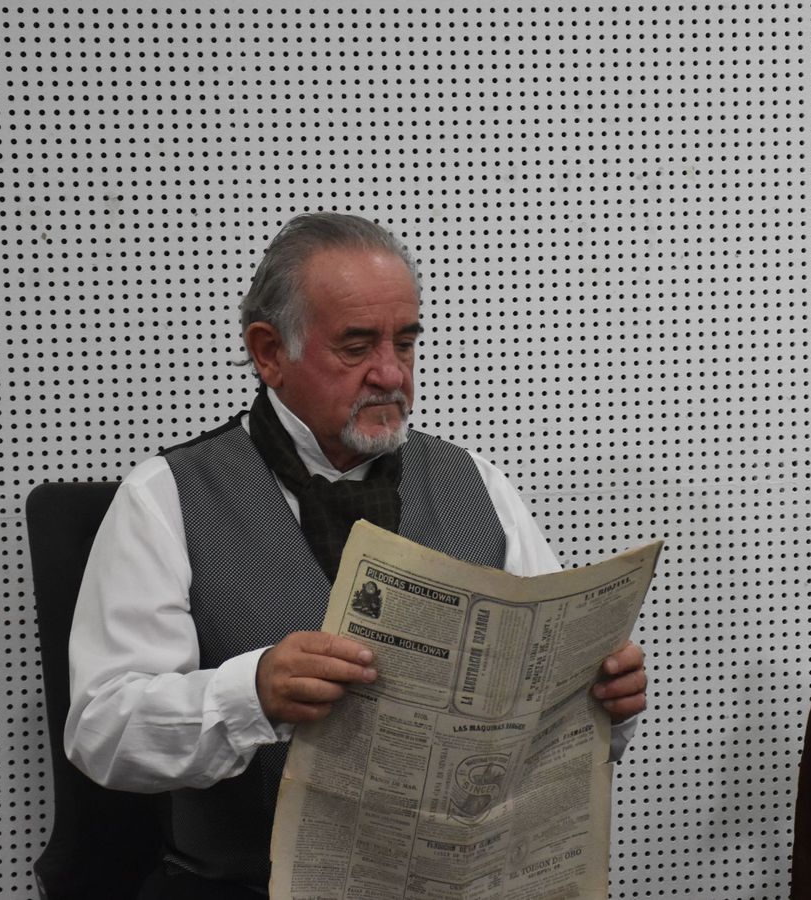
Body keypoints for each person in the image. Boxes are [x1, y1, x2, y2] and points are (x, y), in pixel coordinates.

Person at [65, 212, 648, 898]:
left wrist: (605, 703)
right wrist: (249, 694)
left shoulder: (477, 483)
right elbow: (101, 729)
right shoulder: (164, 498)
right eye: (356, 346)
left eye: (406, 343)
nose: (390, 373)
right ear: (268, 351)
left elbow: (556, 716)